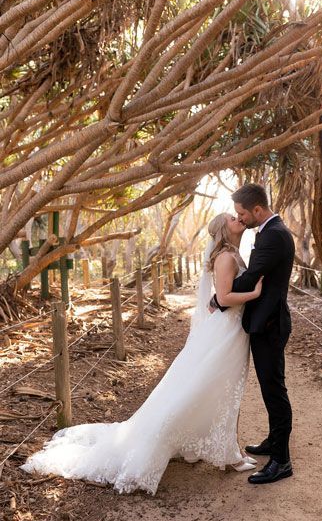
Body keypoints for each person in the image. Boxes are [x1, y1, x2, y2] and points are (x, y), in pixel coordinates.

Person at [20, 213, 263, 495]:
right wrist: (254, 294)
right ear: (224, 228)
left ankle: (223, 449)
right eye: (233, 218)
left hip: (229, 331)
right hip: (224, 333)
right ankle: (227, 454)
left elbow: (214, 300)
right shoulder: (226, 258)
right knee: (209, 390)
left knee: (218, 390)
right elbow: (223, 298)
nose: (239, 219)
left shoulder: (232, 255)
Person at [210, 183, 295, 484]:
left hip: (269, 324)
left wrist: (219, 299)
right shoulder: (270, 232)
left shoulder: (274, 235)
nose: (241, 218)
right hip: (265, 321)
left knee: (274, 391)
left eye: (242, 213)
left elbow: (250, 278)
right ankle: (274, 441)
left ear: (257, 210)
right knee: (270, 388)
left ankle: (281, 461)